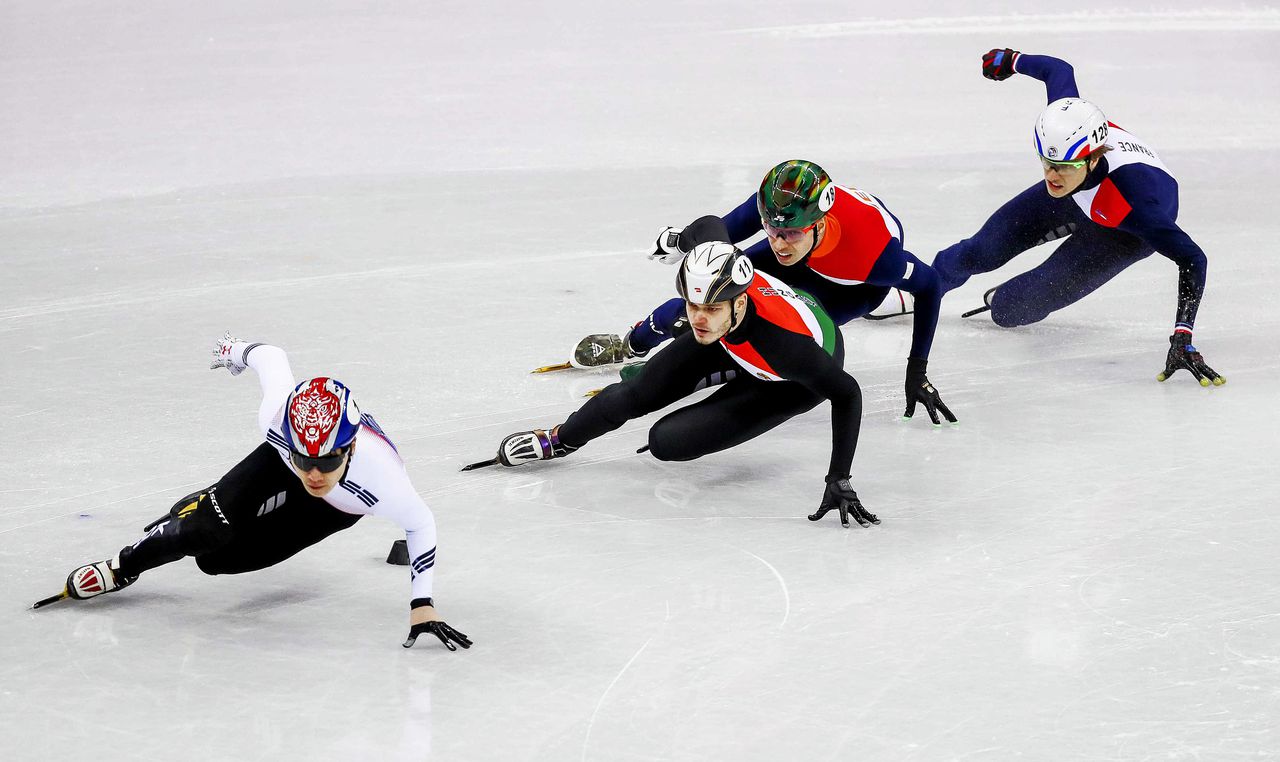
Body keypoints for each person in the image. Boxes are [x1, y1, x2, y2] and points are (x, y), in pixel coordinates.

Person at [40, 333, 471, 651]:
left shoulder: (383, 481)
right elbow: (270, 356)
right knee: (204, 531)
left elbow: (422, 524)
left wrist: (422, 605)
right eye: (306, 459)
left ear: (351, 446)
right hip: (274, 463)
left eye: (327, 461)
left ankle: (203, 511)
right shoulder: (276, 421)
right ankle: (123, 566)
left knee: (216, 563)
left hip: (338, 508)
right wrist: (233, 352)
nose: (315, 473)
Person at [489, 219, 879, 529]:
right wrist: (678, 240)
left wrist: (838, 478)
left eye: (710, 308)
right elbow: (709, 225)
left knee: (666, 442)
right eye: (693, 304)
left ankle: (731, 377)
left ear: (738, 300)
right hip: (735, 339)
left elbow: (847, 394)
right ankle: (560, 440)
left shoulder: (786, 349)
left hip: (788, 381)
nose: (699, 317)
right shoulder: (715, 291)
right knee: (634, 392)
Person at [573, 159, 956, 425]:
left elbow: (931, 286)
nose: (778, 242)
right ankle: (632, 344)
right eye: (770, 229)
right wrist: (682, 241)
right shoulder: (780, 209)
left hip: (850, 287)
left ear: (818, 223)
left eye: (788, 233)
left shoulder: (876, 258)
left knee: (765, 335)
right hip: (815, 258)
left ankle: (888, 301)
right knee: (701, 298)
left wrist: (916, 371)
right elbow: (721, 237)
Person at [932, 48, 1225, 387]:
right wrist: (1011, 60)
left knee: (1009, 311)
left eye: (1062, 166)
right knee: (980, 250)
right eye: (1045, 161)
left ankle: (1018, 291)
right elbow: (1058, 69)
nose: (1050, 175)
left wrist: (1182, 336)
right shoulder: (1068, 123)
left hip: (1122, 231)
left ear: (1091, 158)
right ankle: (921, 288)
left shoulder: (1138, 205)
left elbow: (1193, 258)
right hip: (1080, 193)